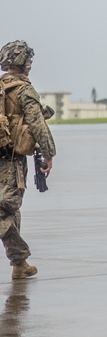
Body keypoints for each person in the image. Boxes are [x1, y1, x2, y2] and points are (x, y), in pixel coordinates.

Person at [0, 41, 55, 280]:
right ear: (23, 62)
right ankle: (20, 257)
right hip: (12, 160)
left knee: (12, 211)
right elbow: (37, 124)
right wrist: (49, 152)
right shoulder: (24, 90)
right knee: (5, 208)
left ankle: (19, 264)